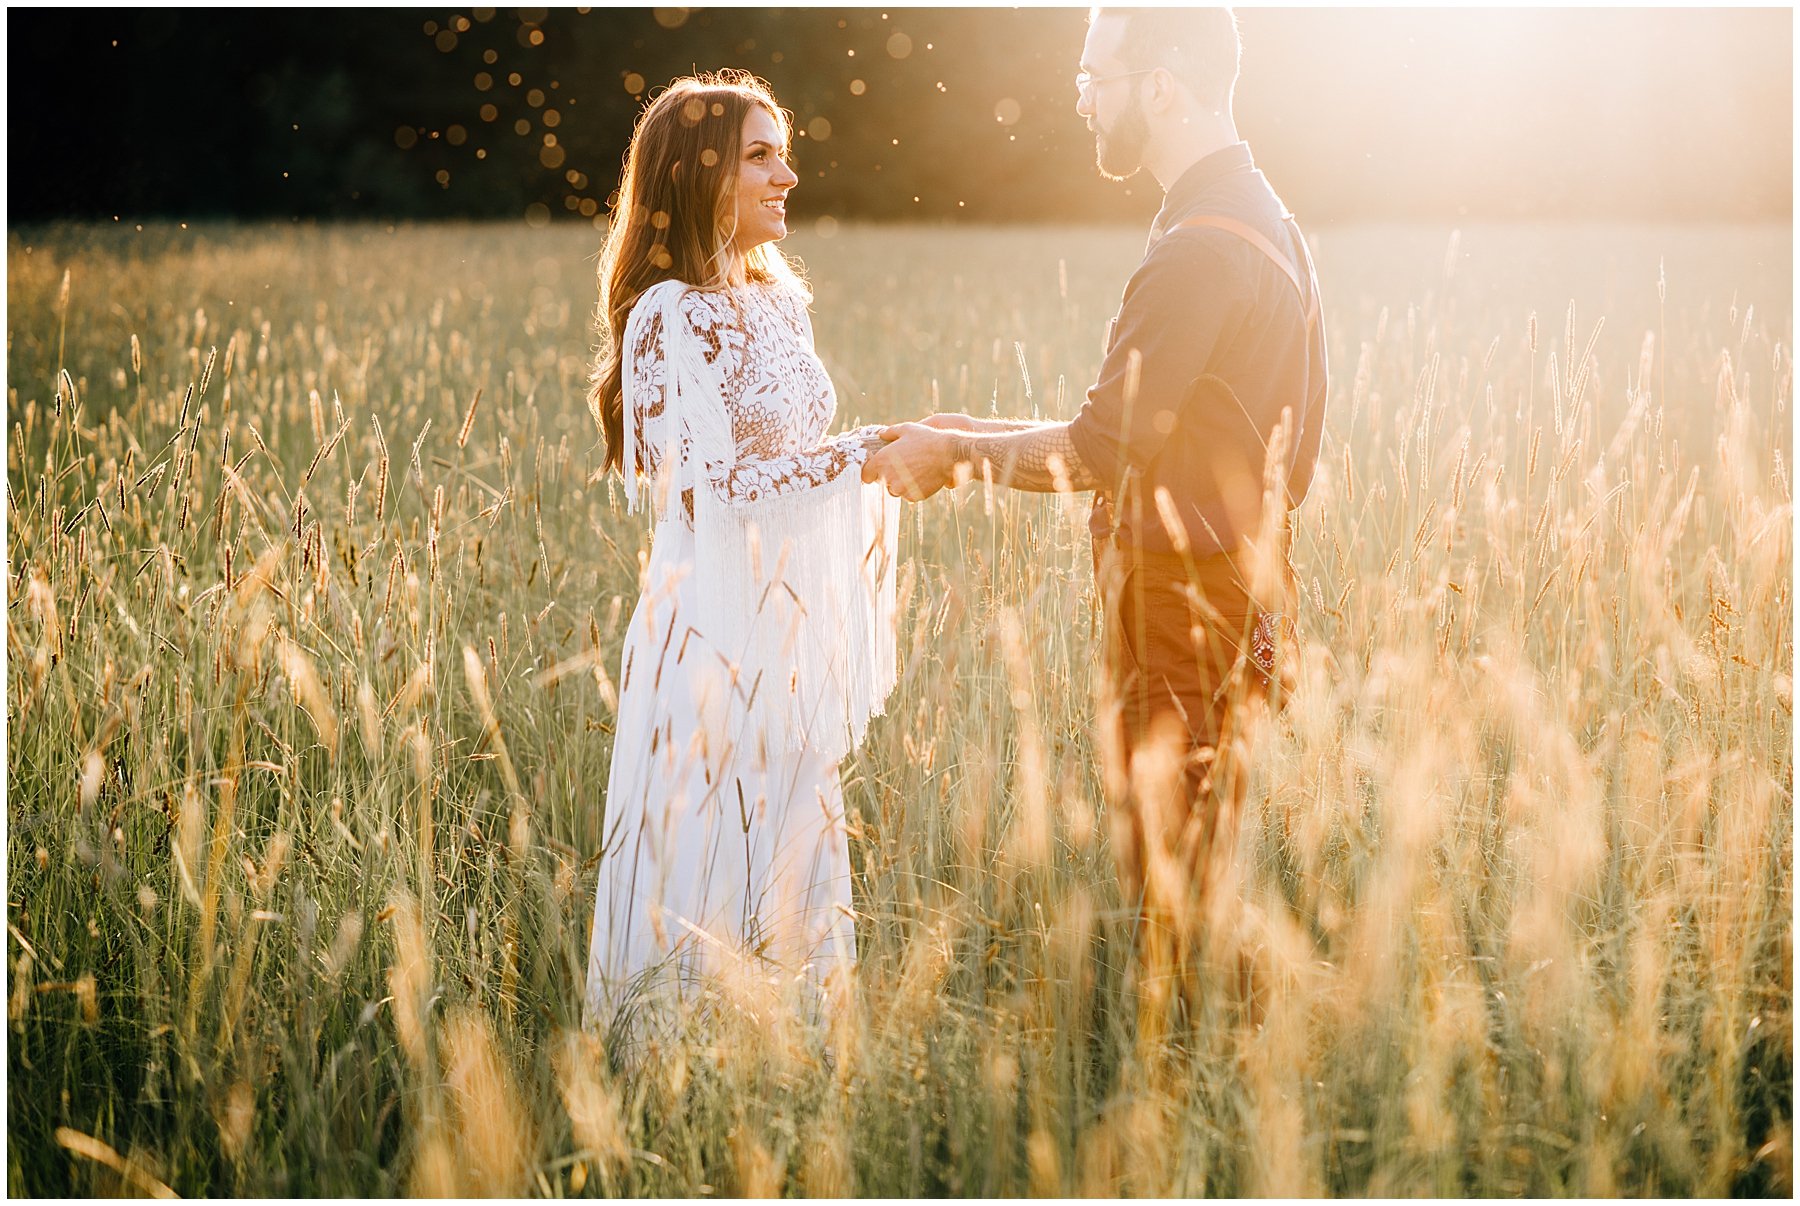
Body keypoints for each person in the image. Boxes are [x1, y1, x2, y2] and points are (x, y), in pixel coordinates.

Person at [865, 7, 1327, 967]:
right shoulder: (1267, 221)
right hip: (1240, 601)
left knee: (1179, 903)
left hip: (1177, 623)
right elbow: (1163, 435)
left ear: (1159, 85)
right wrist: (967, 429)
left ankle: (1194, 1100)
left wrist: (954, 462)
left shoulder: (1197, 251)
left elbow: (1101, 453)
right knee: (1202, 886)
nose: (1078, 97)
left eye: (1093, 76)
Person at [584, 72, 899, 1030]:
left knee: (795, 864)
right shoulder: (668, 319)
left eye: (782, 151)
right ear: (698, 173)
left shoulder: (780, 303)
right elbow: (711, 493)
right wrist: (871, 455)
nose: (787, 175)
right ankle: (683, 1088)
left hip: (786, 637)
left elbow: (794, 459)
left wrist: (874, 449)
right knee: (710, 864)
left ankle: (793, 1076)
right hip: (709, 638)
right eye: (761, 155)